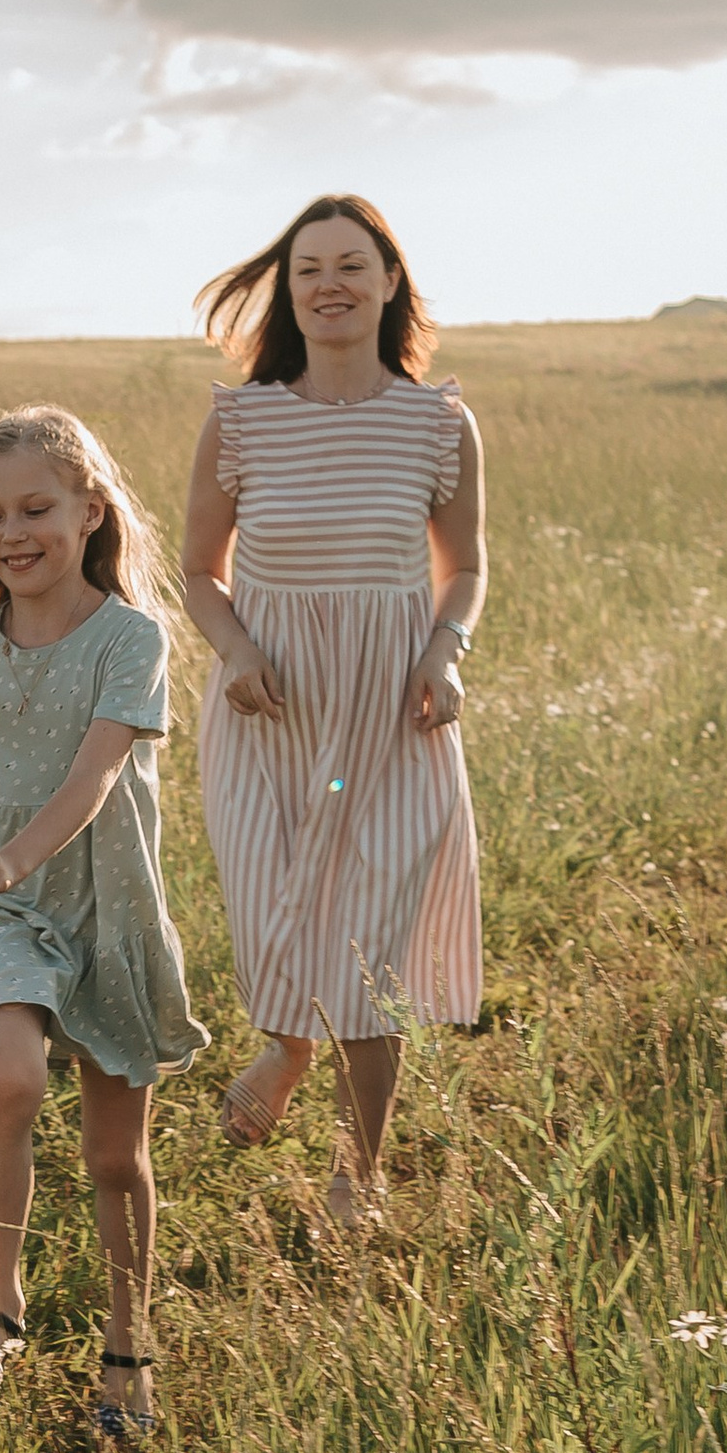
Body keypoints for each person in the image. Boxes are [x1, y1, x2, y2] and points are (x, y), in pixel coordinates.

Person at [183, 194, 486, 1224]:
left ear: (390, 282)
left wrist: (446, 653)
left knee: (370, 947)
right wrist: (232, 649)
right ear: (287, 291)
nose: (329, 283)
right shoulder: (239, 419)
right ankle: (288, 1042)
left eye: (352, 264)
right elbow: (196, 572)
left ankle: (362, 1170)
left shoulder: (438, 420)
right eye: (308, 267)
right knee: (274, 911)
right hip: (271, 710)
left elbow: (466, 569)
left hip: (391, 717)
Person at [0, 406, 205, 1440]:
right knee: (6, 1077)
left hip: (110, 908)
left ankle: (127, 1346)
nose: (12, 532)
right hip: (8, 906)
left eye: (35, 507)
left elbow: (92, 780)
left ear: (90, 510)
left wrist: (16, 851)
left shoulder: (129, 638)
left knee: (112, 1157)